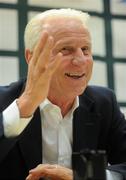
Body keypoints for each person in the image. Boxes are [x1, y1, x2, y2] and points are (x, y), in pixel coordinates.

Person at [0, 8, 126, 180]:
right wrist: (26, 105)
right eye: (66, 49)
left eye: (85, 49)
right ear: (31, 57)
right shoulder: (4, 101)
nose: (81, 60)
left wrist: (84, 177)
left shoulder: (104, 103)